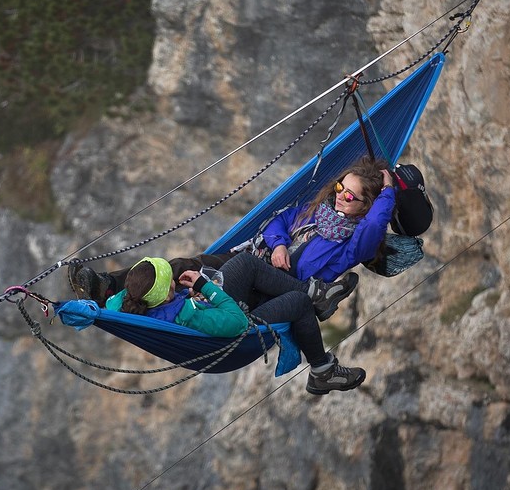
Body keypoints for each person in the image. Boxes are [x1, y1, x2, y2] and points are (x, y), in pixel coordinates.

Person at [71, 157, 395, 317]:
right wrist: (280, 242)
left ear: (367, 205)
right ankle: (108, 287)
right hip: (254, 254)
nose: (341, 197)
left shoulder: (352, 244)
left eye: (351, 197)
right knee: (183, 264)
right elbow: (277, 221)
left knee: (196, 284)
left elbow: (373, 228)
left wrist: (388, 192)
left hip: (268, 286)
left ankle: (138, 313)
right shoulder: (314, 212)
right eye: (341, 188)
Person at [108, 253, 365, 394]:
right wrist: (203, 286)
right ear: (165, 295)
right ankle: (323, 371)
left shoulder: (126, 304)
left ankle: (317, 295)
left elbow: (115, 301)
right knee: (297, 303)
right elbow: (238, 322)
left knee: (245, 264)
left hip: (211, 313)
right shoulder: (187, 314)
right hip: (233, 336)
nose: (174, 279)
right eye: (170, 280)